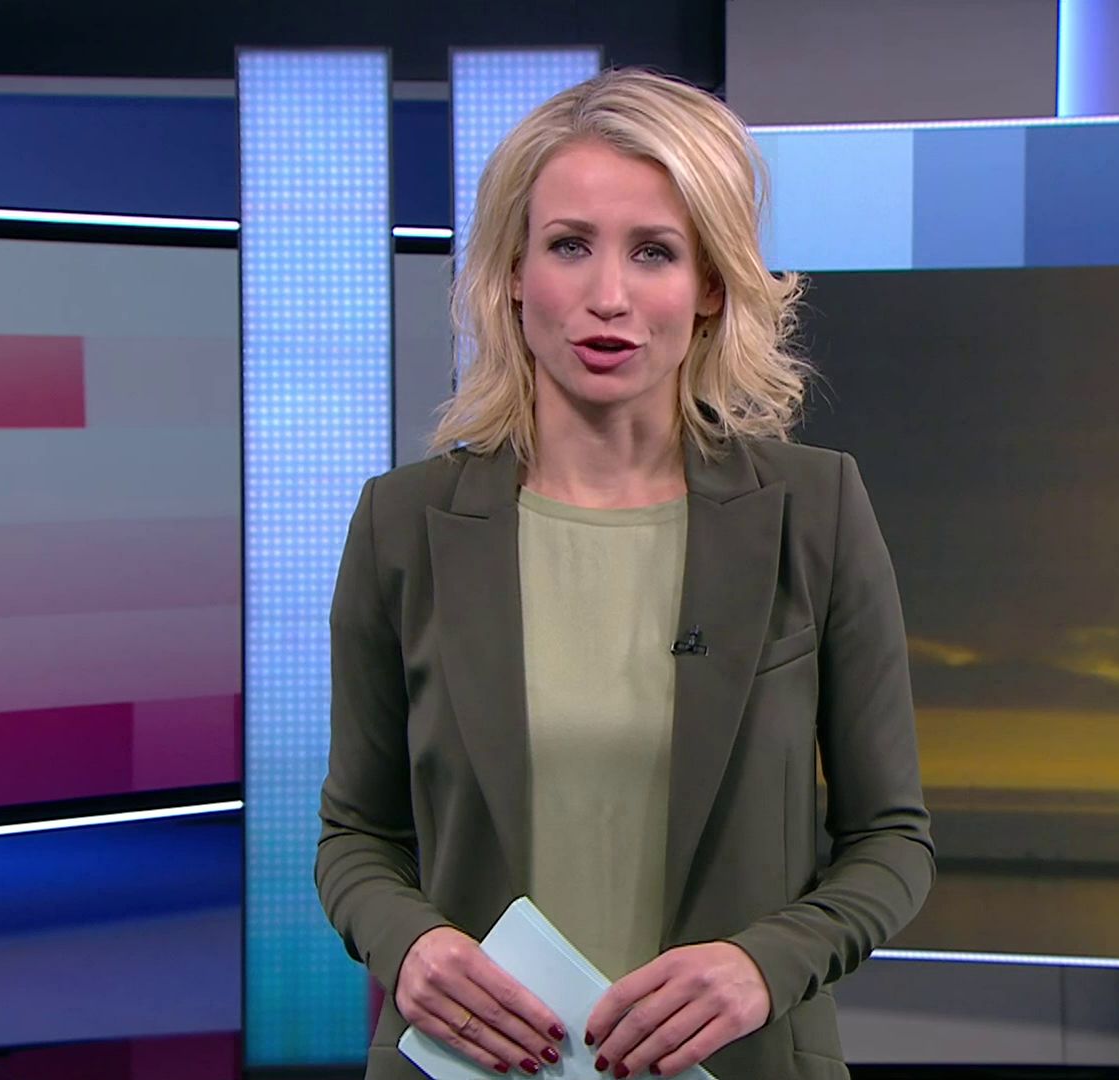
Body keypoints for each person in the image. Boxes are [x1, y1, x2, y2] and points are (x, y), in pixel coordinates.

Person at [317, 67, 933, 1080]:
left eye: (655, 251)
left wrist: (764, 965)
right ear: (513, 274)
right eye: (570, 245)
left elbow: (892, 840)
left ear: (710, 287)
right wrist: (410, 947)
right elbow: (356, 835)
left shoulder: (813, 511)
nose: (608, 297)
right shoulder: (405, 525)